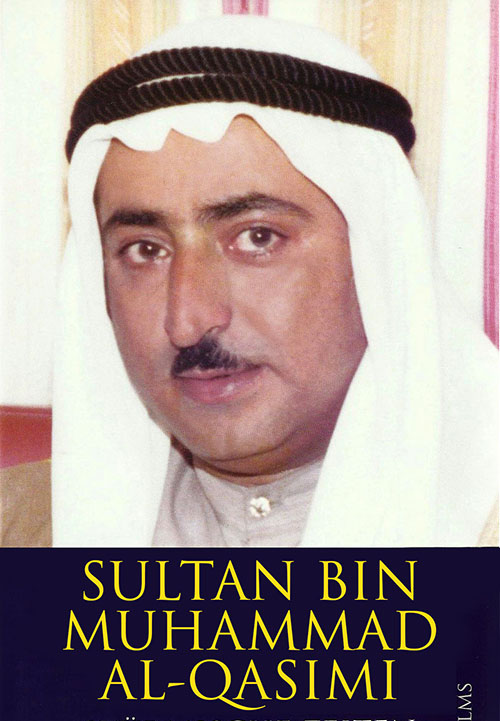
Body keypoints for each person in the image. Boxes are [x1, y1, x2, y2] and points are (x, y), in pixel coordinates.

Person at [7, 15, 499, 547]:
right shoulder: (21, 527)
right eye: (146, 250)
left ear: (379, 259)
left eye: (257, 238)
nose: (187, 321)